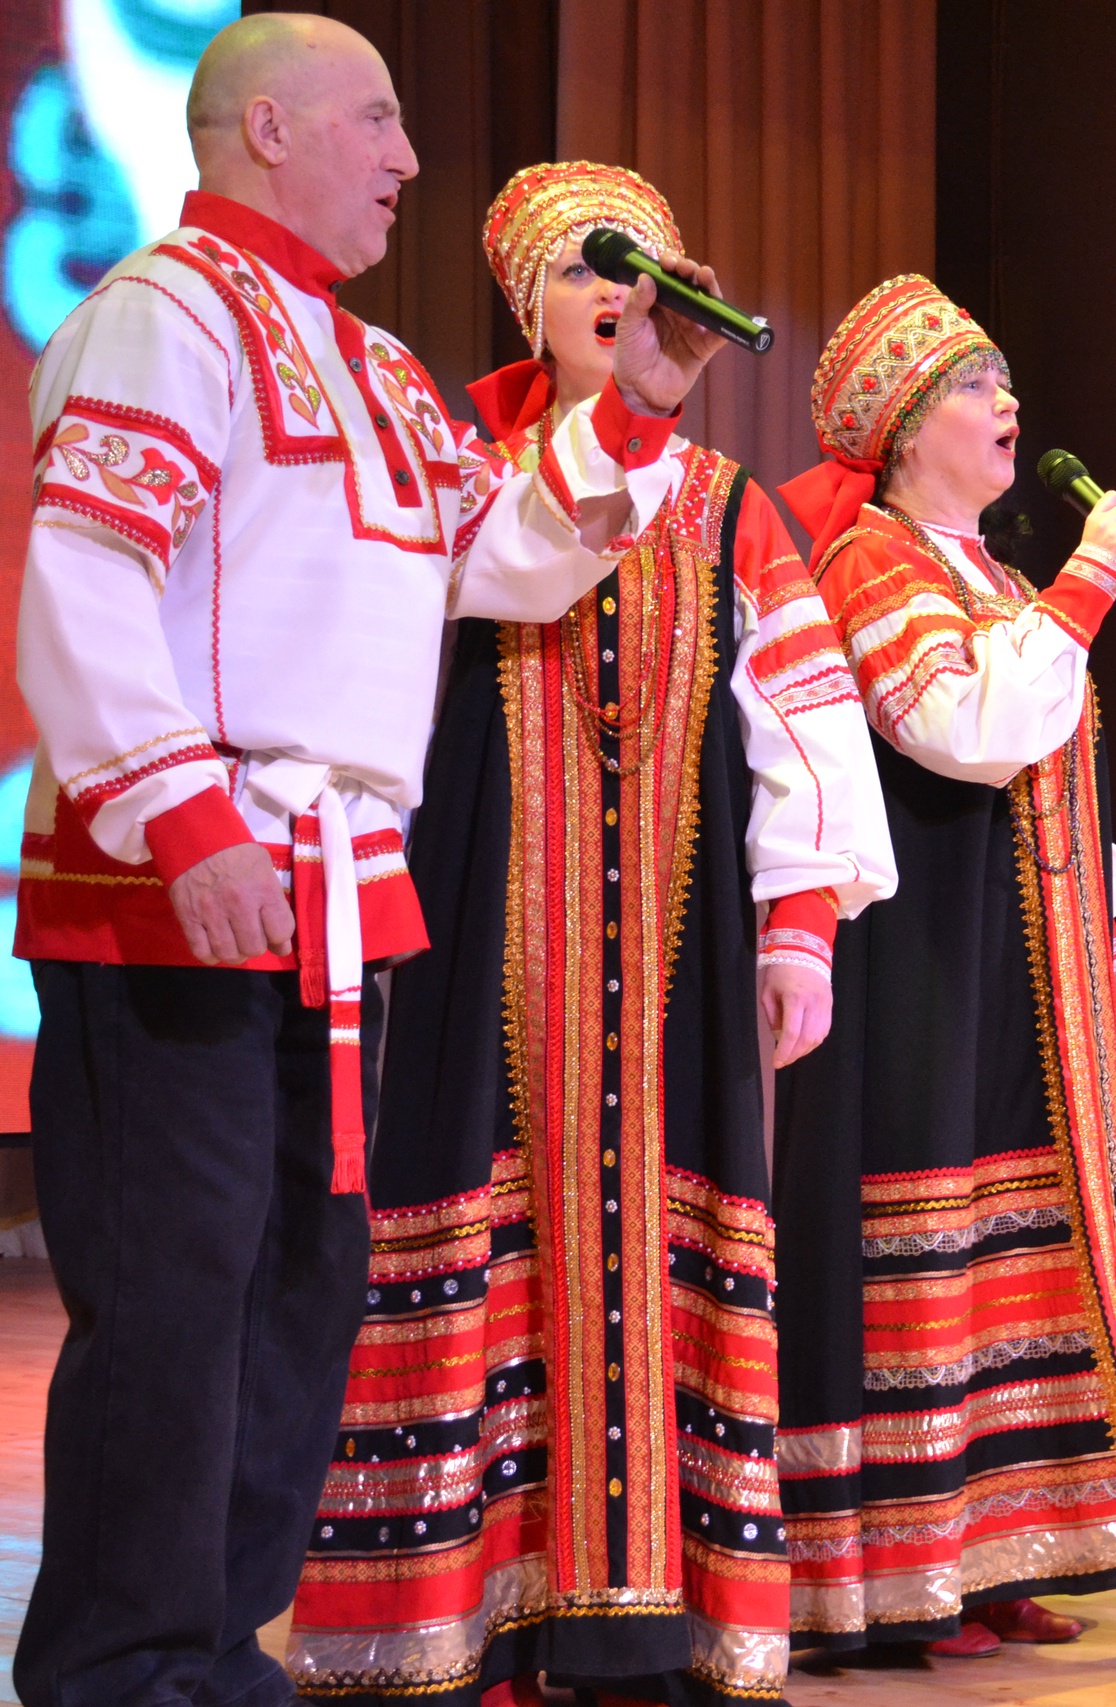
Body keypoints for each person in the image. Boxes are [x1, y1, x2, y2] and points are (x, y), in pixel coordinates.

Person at [11, 18, 725, 1707]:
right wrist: (184, 822)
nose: (408, 159)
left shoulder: (383, 364)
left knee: (297, 1287)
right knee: (176, 1294)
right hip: (183, 884)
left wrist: (634, 403)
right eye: (378, 122)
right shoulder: (162, 314)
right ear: (267, 128)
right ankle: (120, 1666)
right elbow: (88, 573)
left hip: (333, 887)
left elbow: (511, 555)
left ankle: (218, 1651)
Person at [281, 162, 898, 1707]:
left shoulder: (733, 506)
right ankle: (458, 1620)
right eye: (584, 271)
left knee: (663, 1237)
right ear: (530, 309)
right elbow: (459, 594)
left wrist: (801, 922)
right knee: (470, 1215)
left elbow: (807, 715)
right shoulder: (452, 462)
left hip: (675, 947)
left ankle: (654, 1621)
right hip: (474, 919)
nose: (618, 296)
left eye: (644, 272)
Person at [768, 275, 1116, 1662]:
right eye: (970, 384)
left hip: (1017, 963)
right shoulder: (871, 563)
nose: (1007, 403)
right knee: (928, 1235)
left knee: (1016, 1238)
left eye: (1004, 381)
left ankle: (996, 1546)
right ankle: (903, 1570)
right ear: (898, 425)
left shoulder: (994, 577)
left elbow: (1055, 773)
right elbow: (964, 728)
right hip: (923, 961)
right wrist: (1093, 576)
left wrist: (1105, 938)